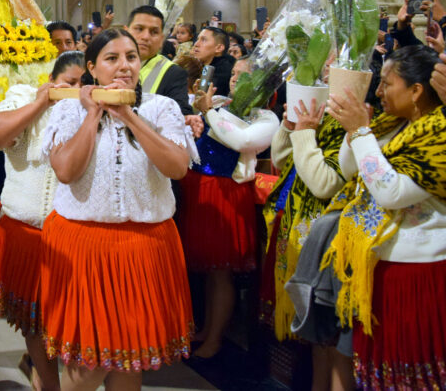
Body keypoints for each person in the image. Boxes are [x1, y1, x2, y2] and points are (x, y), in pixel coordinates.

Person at [41, 29, 195, 390]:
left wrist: (129, 117)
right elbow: (66, 171)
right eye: (112, 59)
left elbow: (177, 167)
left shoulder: (161, 108)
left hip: (146, 247)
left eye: (131, 57)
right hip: (84, 247)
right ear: (93, 68)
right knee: (88, 364)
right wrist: (93, 114)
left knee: (131, 357)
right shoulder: (68, 110)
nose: (124, 66)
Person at [324, 45, 446, 390]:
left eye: (387, 83)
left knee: (411, 372)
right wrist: (355, 129)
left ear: (416, 90)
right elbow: (351, 169)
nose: (379, 92)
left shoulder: (438, 133)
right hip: (376, 265)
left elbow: (391, 192)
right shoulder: (393, 123)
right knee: (378, 371)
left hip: (417, 270)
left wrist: (362, 133)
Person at [0, 50, 85, 391]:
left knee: (73, 323)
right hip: (28, 231)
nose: (78, 89)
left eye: (86, 82)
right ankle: (46, 381)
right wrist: (42, 103)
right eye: (71, 82)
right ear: (52, 79)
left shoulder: (96, 109)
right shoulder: (25, 97)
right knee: (34, 320)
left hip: (76, 238)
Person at [263, 99, 353, 390]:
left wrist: (304, 134)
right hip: (291, 216)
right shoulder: (317, 114)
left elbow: (324, 184)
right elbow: (281, 160)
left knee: (324, 327)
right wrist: (290, 127)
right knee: (312, 334)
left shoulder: (347, 125)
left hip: (322, 230)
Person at [181, 58, 264, 359]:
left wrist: (209, 111)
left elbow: (238, 139)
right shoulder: (217, 102)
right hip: (201, 187)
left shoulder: (262, 116)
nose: (235, 79)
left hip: (226, 193)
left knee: (221, 272)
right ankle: (206, 329)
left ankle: (216, 338)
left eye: (245, 75)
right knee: (206, 272)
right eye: (235, 74)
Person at [127, 5, 194, 116]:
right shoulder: (107, 63)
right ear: (126, 31)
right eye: (139, 29)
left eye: (154, 32)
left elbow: (181, 117)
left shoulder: (173, 73)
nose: (145, 36)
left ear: (161, 39)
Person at [193, 26, 236, 96]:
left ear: (219, 48)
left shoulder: (224, 74)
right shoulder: (197, 66)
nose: (196, 44)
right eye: (197, 39)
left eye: (203, 40)